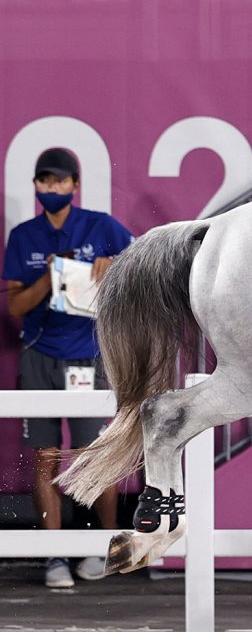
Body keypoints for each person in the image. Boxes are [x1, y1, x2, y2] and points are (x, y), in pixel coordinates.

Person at [3, 147, 134, 588]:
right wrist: (50, 276)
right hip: (39, 355)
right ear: (36, 186)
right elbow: (17, 305)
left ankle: (103, 548)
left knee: (91, 459)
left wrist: (113, 265)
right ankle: (54, 556)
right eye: (45, 181)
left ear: (75, 186)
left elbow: (141, 269)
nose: (52, 189)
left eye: (60, 181)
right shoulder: (24, 236)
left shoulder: (101, 227)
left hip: (87, 356)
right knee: (44, 459)